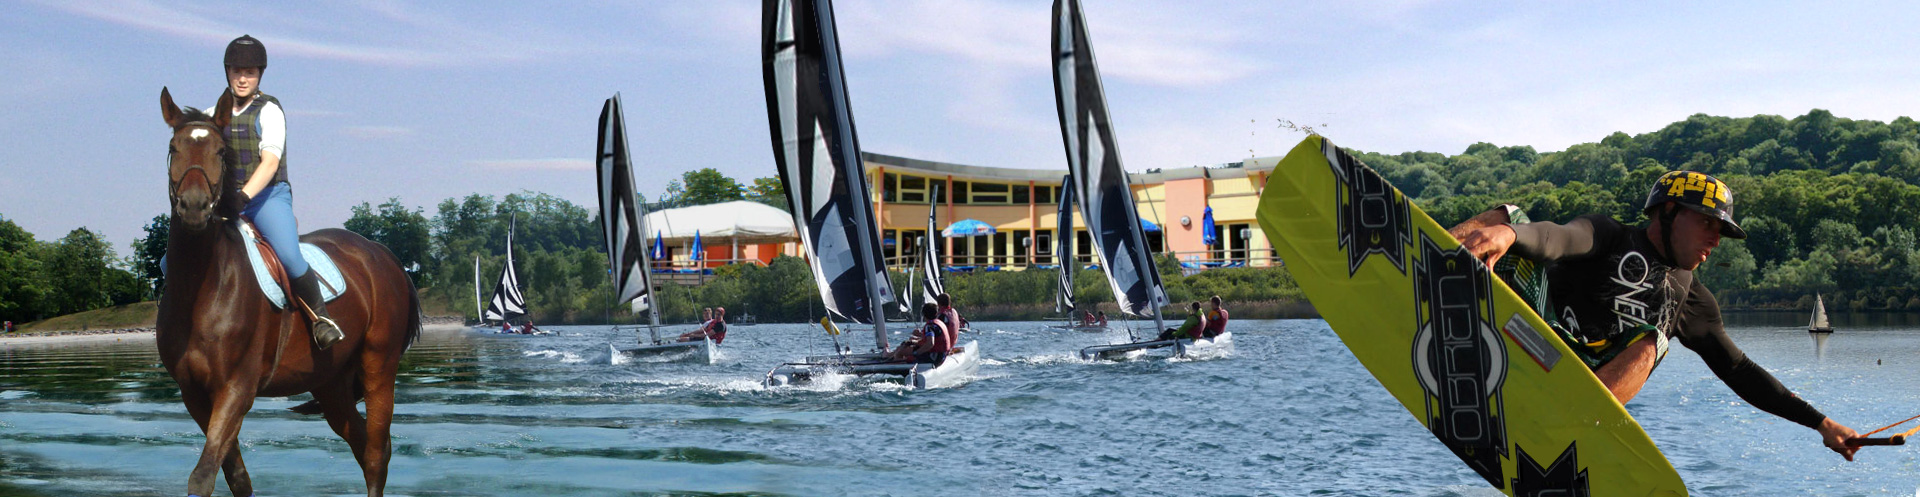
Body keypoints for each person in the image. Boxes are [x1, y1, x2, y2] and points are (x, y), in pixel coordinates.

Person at [1452, 170, 1863, 460]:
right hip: (1528, 336)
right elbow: (1553, 238)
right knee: (1510, 216)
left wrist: (1821, 423)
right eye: (1707, 224)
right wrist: (1510, 234)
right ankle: (1432, 269)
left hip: (1577, 385)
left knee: (1655, 337)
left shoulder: (1691, 299)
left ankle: (1575, 424)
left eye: (1720, 232)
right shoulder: (1608, 235)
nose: (1715, 241)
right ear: (1668, 212)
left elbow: (1739, 370)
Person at [213, 35, 342, 349]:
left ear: (259, 75)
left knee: (288, 255)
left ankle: (321, 319)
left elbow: (269, 163)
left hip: (266, 197)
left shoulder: (269, 110)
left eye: (250, 72)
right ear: (227, 72)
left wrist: (242, 198)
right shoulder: (213, 113)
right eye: (236, 71)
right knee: (171, 258)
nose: (242, 78)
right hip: (225, 201)